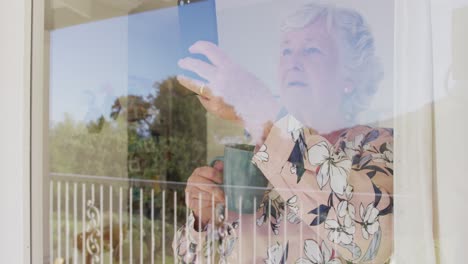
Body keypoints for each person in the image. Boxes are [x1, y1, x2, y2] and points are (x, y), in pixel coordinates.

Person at [174, 3, 393, 263]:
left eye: (311, 50)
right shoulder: (258, 150)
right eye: (286, 50)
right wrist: (202, 219)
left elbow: (371, 241)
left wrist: (258, 109)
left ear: (350, 75)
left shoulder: (378, 146)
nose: (293, 61)